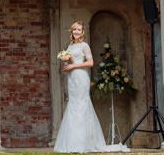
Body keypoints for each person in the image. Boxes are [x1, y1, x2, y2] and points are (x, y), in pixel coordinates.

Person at [54, 21, 127, 153]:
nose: (76, 31)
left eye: (79, 30)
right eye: (74, 29)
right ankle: (72, 142)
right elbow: (70, 62)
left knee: (82, 105)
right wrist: (67, 64)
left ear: (82, 32)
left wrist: (73, 66)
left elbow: (90, 62)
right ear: (71, 31)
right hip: (72, 78)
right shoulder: (70, 45)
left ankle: (83, 143)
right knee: (73, 105)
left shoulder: (84, 45)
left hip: (81, 77)